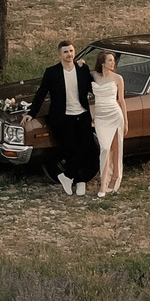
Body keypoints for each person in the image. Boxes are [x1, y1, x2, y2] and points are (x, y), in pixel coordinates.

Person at [29, 39, 100, 196]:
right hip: (63, 117)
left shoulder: (82, 69)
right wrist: (30, 114)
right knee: (70, 149)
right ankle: (80, 180)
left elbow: (93, 88)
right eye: (66, 52)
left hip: (82, 114)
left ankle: (67, 176)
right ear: (60, 54)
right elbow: (41, 94)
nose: (69, 54)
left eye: (71, 51)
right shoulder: (51, 72)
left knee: (87, 146)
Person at [91, 49, 128, 197]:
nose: (113, 63)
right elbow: (80, 73)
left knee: (116, 148)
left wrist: (125, 121)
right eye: (110, 60)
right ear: (102, 62)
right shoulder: (94, 75)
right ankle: (103, 183)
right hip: (100, 117)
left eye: (113, 60)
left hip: (114, 114)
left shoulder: (118, 78)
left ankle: (111, 181)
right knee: (104, 149)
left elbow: (121, 100)